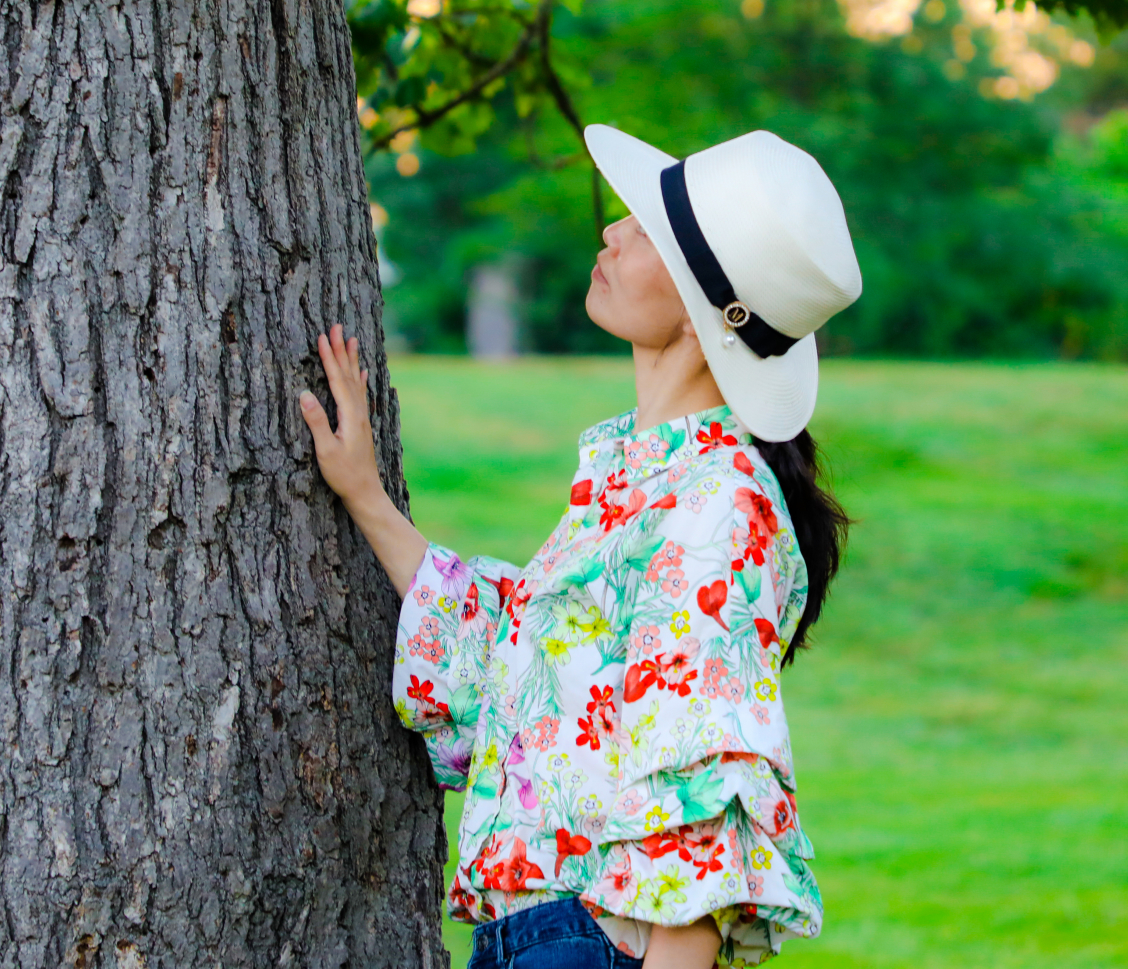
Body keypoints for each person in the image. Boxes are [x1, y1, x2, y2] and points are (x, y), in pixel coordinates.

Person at [298, 125, 864, 969]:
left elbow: (704, 809)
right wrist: (367, 496)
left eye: (646, 231)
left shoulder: (716, 504)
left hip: (583, 942)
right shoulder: (644, 478)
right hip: (537, 938)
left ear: (704, 309)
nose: (612, 233)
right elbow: (511, 685)